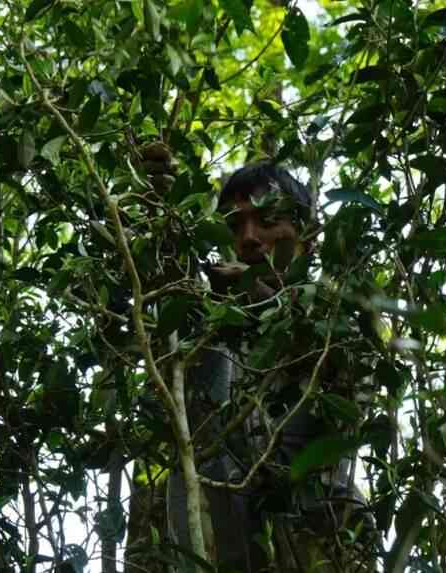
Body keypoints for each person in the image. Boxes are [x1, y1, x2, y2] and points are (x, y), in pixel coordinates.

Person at [161, 162, 380, 573]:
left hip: (317, 548)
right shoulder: (204, 332)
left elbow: (349, 383)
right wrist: (159, 220)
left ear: (306, 237)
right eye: (234, 225)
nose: (249, 239)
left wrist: (263, 301)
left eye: (267, 220)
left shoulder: (336, 318)